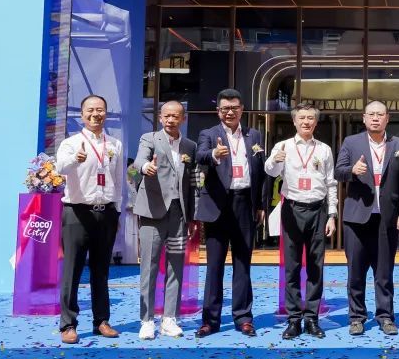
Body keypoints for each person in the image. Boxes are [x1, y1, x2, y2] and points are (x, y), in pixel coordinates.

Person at [334, 101, 399, 336]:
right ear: (364, 118)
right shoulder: (351, 142)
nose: (375, 118)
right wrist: (351, 171)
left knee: (384, 272)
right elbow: (338, 171)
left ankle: (385, 316)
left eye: (380, 114)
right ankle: (356, 317)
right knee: (355, 272)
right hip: (357, 218)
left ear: (387, 118)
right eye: (371, 114)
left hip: (387, 218)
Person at [55, 94, 127, 344]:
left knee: (101, 270)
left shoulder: (115, 144)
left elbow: (118, 179)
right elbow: (60, 169)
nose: (96, 114)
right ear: (82, 114)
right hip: (77, 212)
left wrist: (117, 209)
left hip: (106, 212)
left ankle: (101, 321)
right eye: (90, 110)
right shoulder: (71, 143)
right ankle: (68, 324)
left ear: (106, 113)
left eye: (100, 110)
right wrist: (76, 159)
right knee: (72, 270)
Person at [195, 88, 266, 338]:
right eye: (225, 108)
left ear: (241, 110)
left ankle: (243, 317)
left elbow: (261, 172)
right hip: (218, 206)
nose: (229, 112)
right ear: (218, 111)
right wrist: (214, 154)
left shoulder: (253, 135)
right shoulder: (209, 134)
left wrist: (260, 205)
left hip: (245, 203)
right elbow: (199, 155)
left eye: (234, 108)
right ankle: (210, 320)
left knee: (243, 264)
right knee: (214, 266)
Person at [266, 102, 337, 339]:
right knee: (293, 266)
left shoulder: (324, 149)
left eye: (310, 118)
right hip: (292, 208)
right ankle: (294, 319)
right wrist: (276, 160)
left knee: (316, 266)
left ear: (315, 122)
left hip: (318, 210)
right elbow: (270, 171)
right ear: (294, 121)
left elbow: (331, 183)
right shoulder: (283, 146)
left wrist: (332, 214)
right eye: (302, 118)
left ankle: (312, 319)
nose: (306, 122)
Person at [132, 100, 196, 340]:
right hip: (153, 211)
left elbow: (193, 184)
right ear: (160, 117)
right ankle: (147, 320)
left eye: (175, 116)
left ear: (183, 119)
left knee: (175, 267)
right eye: (166, 116)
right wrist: (145, 167)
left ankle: (169, 318)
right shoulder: (149, 139)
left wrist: (193, 217)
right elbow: (139, 161)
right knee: (148, 267)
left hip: (179, 214)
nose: (170, 120)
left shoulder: (190, 146)